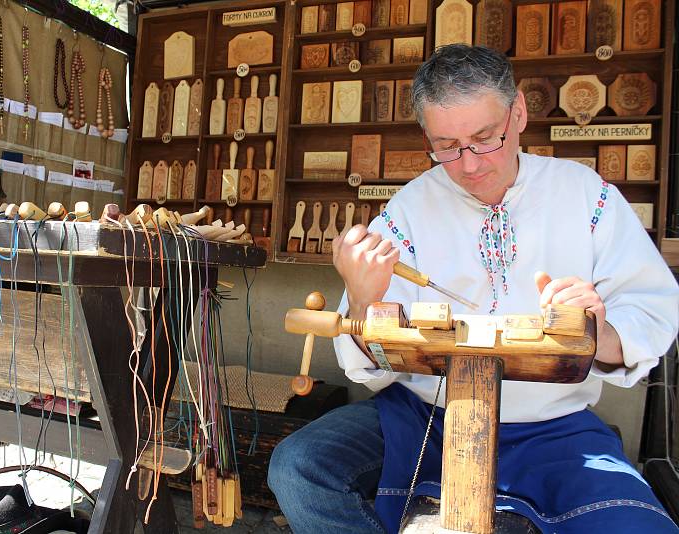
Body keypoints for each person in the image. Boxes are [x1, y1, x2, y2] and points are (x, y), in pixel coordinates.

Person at [268, 44, 679, 533]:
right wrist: (361, 298)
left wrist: (597, 328)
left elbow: (649, 312)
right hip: (426, 416)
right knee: (299, 467)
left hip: (551, 427)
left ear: (519, 112)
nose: (468, 164)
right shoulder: (409, 209)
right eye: (446, 146)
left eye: (486, 138)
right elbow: (369, 364)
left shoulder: (586, 196)